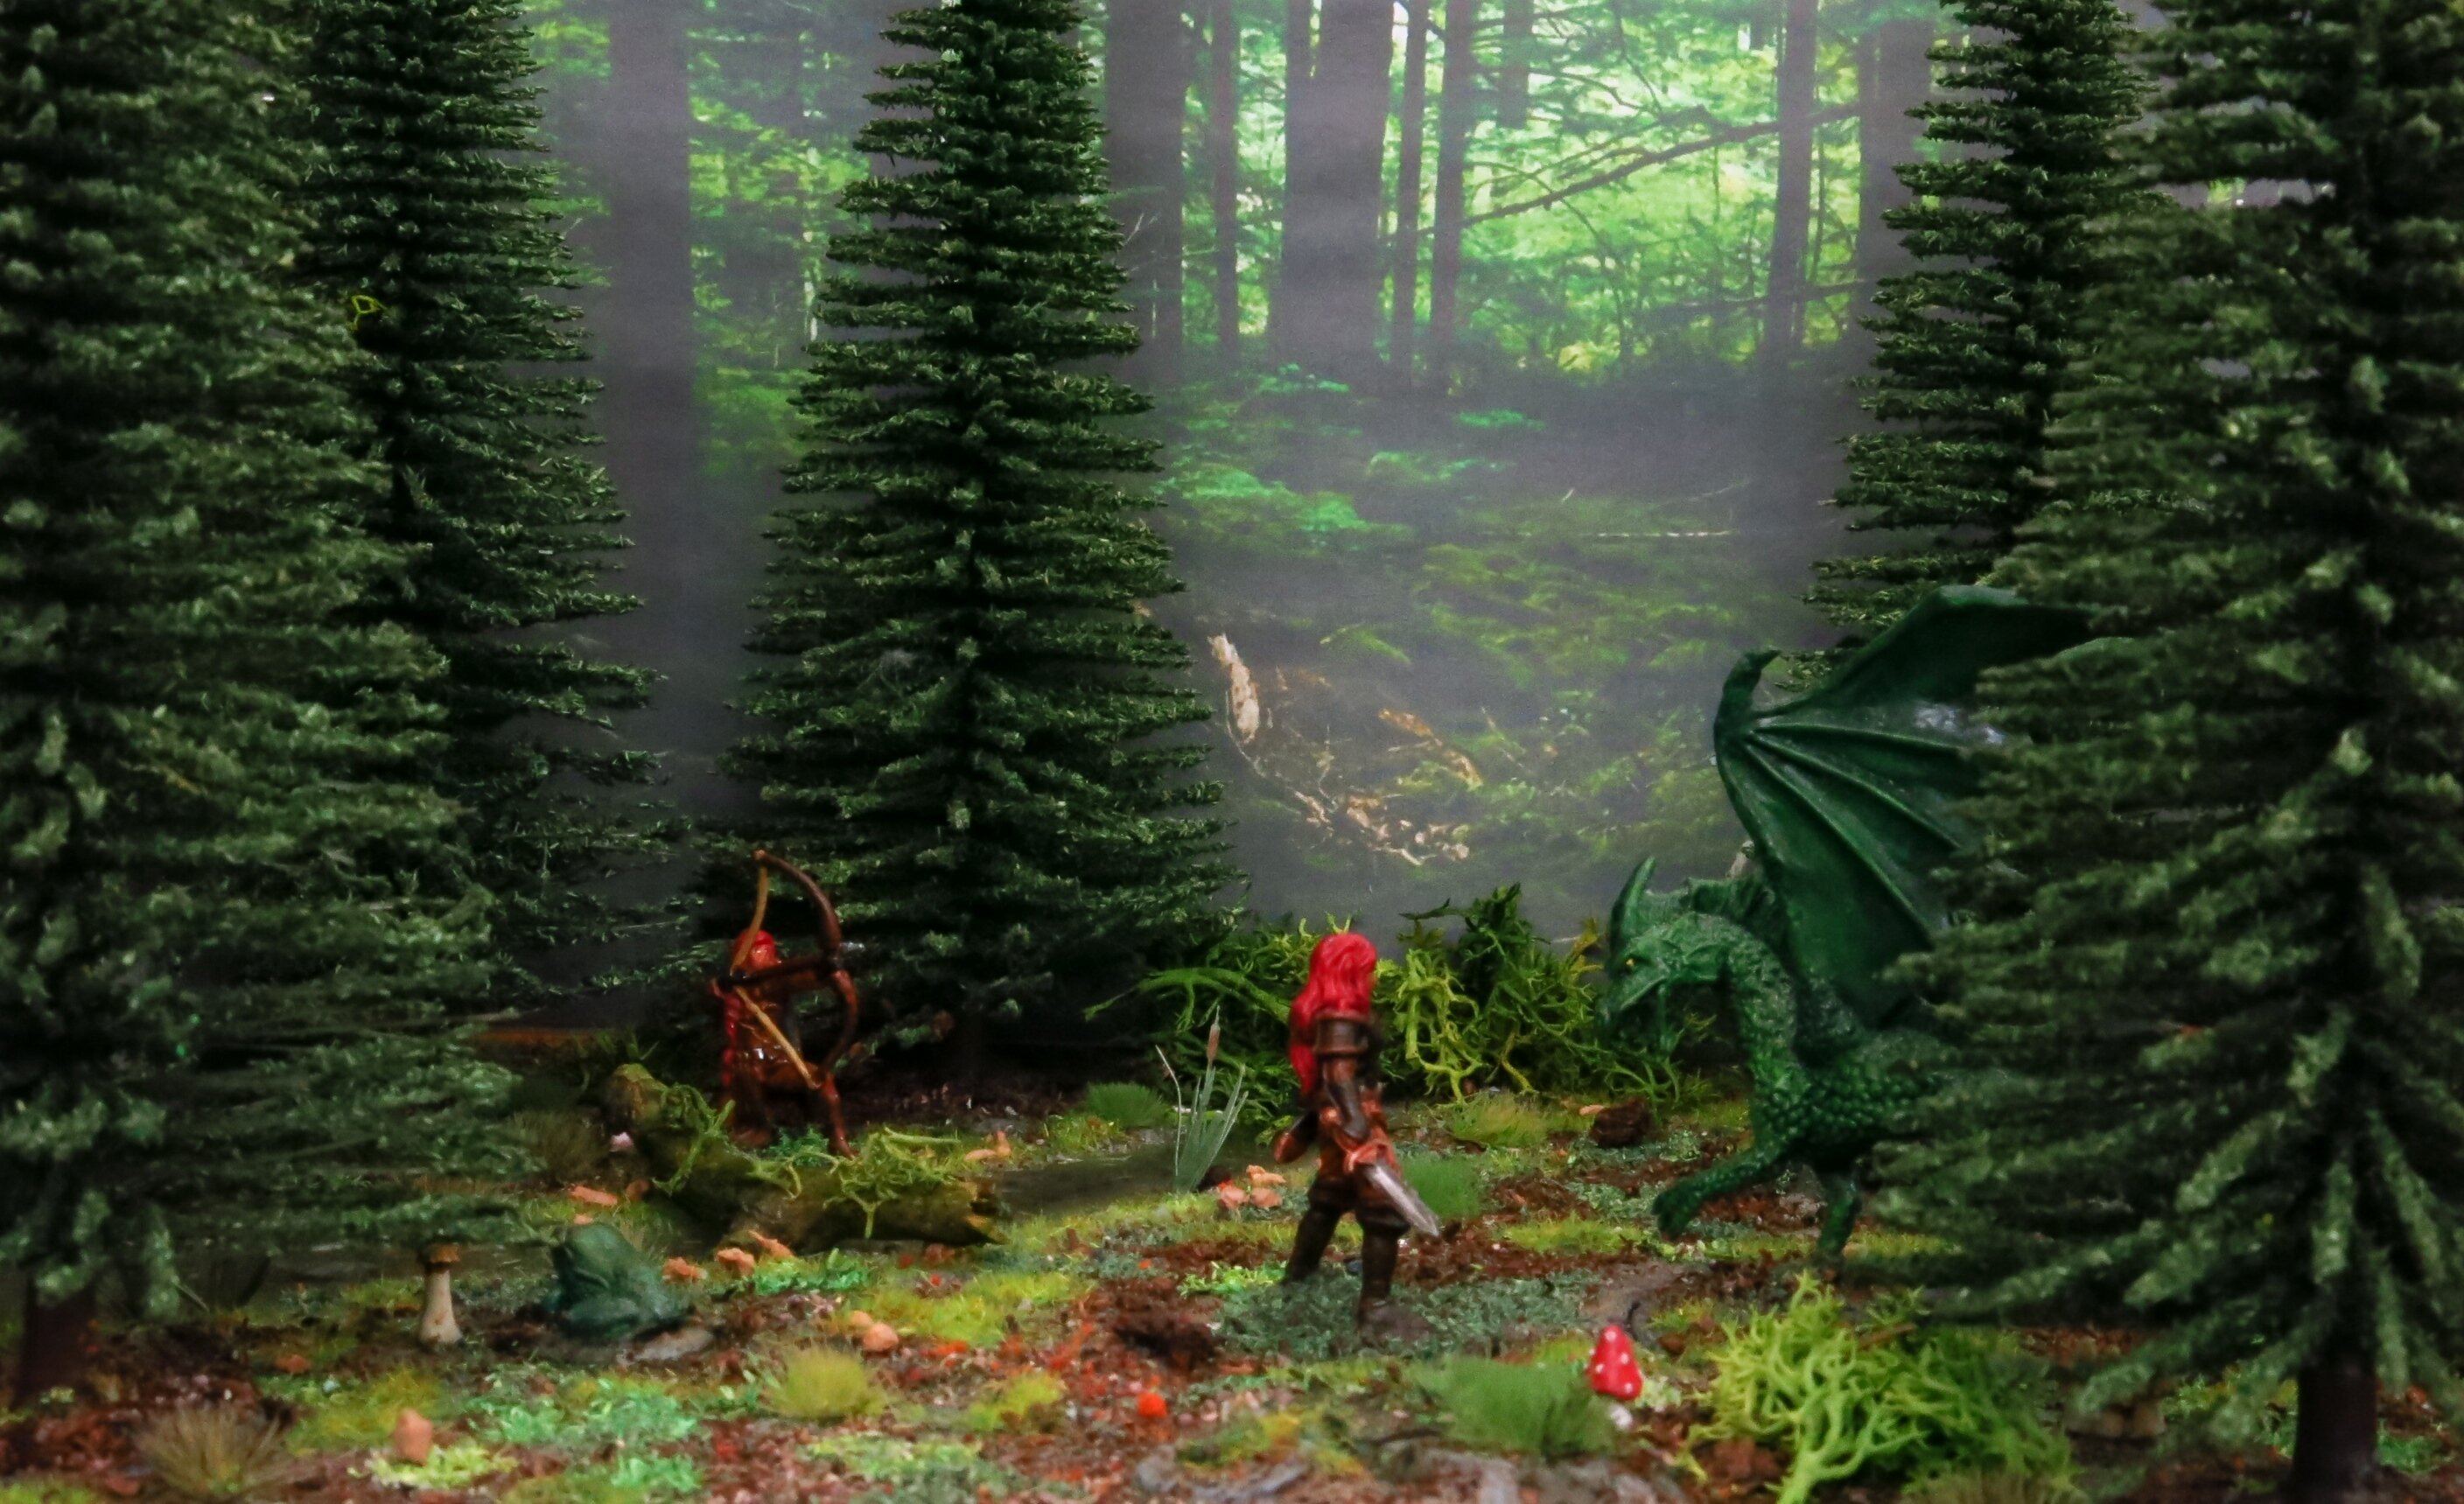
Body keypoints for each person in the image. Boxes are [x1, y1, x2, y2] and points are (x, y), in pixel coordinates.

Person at [1273, 931, 1432, 1335]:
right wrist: (1358, 1127)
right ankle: (1376, 1308)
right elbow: (1338, 1073)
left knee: (1330, 1197)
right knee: (1385, 1210)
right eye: (1369, 970)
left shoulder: (1329, 1016)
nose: (1374, 977)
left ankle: (1299, 1277)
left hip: (1335, 1120)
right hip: (1352, 1121)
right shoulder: (1341, 1017)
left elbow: (1328, 1078)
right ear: (1349, 973)